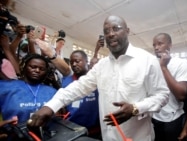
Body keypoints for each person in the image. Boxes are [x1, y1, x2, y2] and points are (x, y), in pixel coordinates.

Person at [27, 15, 170, 141]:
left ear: (127, 31)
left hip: (138, 137)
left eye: (116, 28)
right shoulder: (102, 66)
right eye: (106, 31)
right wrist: (50, 106)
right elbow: (78, 87)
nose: (111, 34)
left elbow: (162, 96)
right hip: (108, 136)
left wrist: (135, 108)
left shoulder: (147, 60)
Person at [151, 33, 187, 141]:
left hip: (172, 119)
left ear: (170, 45)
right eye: (154, 45)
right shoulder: (151, 64)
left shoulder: (181, 63)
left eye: (160, 44)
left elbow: (181, 95)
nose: (156, 47)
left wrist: (163, 67)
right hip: (153, 117)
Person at [0, 54, 57, 123]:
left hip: (47, 132)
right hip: (13, 132)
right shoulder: (5, 86)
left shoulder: (52, 92)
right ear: (24, 67)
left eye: (42, 69)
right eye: (33, 67)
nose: (37, 70)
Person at [62, 50, 101, 139]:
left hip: (96, 130)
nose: (74, 64)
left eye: (77, 61)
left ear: (86, 61)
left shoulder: (96, 79)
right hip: (73, 130)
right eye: (71, 62)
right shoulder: (66, 81)